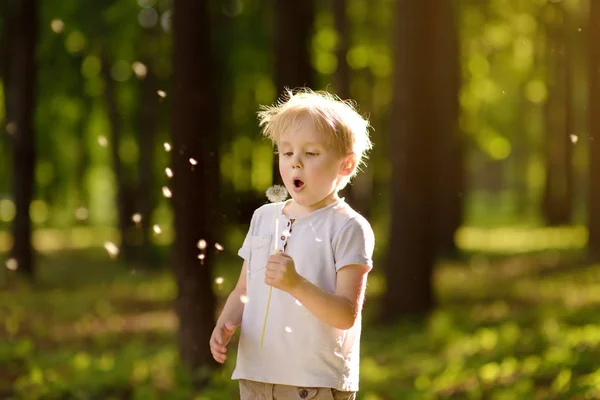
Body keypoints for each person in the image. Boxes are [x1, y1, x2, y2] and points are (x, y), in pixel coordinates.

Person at [210, 88, 375, 400]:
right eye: (287, 153)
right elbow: (244, 290)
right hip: (257, 375)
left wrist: (296, 284)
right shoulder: (263, 217)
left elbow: (346, 314)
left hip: (313, 382)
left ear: (346, 165)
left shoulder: (348, 226)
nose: (295, 163)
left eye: (311, 153)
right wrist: (227, 320)